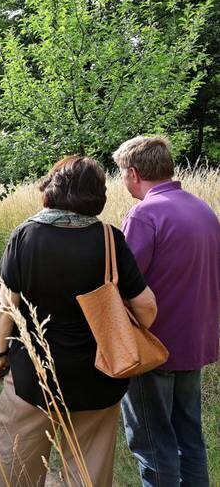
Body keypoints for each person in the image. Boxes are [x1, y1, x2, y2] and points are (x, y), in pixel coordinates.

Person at [0, 156, 158, 487]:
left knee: (13, 467)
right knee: (87, 474)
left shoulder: (25, 235)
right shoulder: (110, 238)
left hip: (33, 378)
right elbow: (146, 306)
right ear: (98, 194)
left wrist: (1, 353)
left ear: (52, 189)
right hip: (99, 376)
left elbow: (5, 307)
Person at [112, 136, 220, 487]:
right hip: (195, 343)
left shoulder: (145, 215)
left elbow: (124, 284)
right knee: (190, 439)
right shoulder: (203, 210)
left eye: (122, 174)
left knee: (153, 445)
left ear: (134, 173)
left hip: (152, 348)